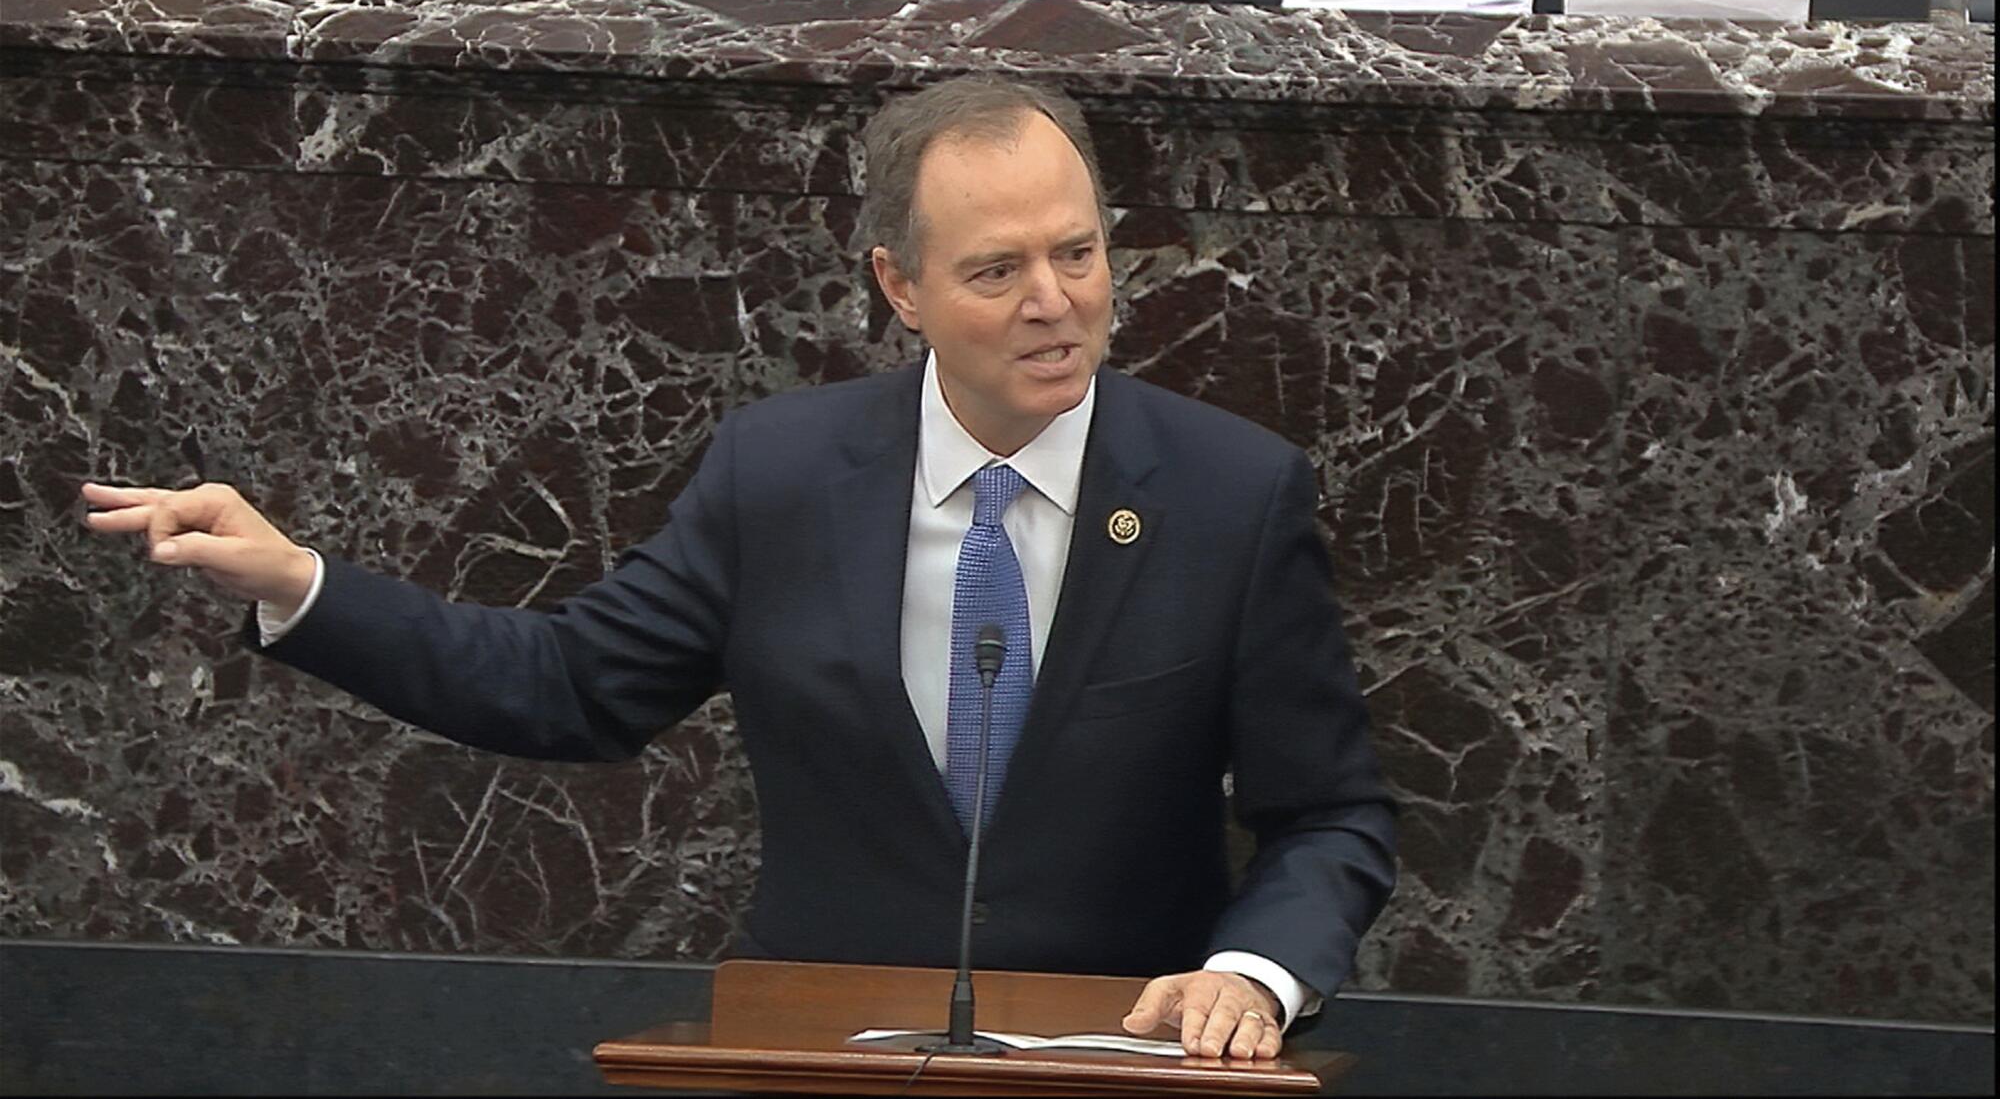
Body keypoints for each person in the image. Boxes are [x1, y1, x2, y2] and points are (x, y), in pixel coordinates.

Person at [81, 74, 1396, 1061]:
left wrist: (1258, 969)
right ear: (901, 284)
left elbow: (1330, 811)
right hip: (818, 1050)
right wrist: (298, 583)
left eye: (1079, 251)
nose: (1054, 301)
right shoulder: (777, 477)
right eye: (996, 269)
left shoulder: (1233, 493)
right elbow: (570, 685)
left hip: (1116, 1057)